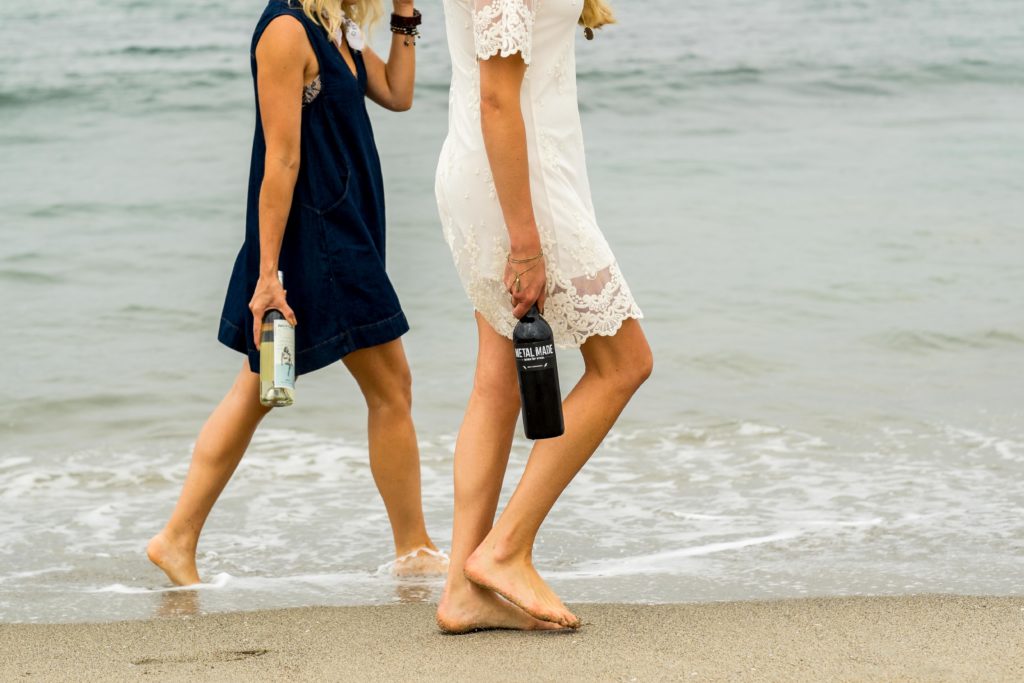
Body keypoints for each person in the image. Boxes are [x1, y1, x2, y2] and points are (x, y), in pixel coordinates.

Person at [147, 0, 448, 586]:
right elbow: (280, 160)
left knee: (259, 389)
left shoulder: (334, 26)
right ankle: (413, 547)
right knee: (391, 388)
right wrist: (266, 275)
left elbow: (397, 93)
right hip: (320, 237)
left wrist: (406, 16)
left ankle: (176, 538)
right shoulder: (286, 31)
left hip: (345, 224)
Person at [434, 0, 653, 632]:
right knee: (624, 363)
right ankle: (504, 551)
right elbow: (498, 99)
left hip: (503, 171)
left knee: (498, 378)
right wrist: (526, 242)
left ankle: (461, 592)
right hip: (519, 184)